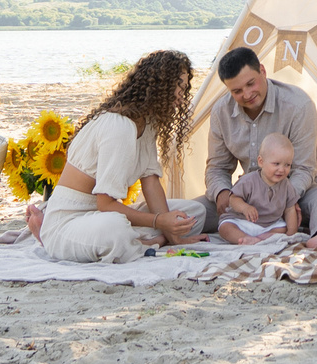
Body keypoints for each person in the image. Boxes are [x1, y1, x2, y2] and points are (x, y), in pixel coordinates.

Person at [37, 49, 210, 265]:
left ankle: (153, 240)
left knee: (194, 212)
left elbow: (151, 181)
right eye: (179, 87)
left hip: (104, 215)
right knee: (116, 229)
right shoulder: (119, 127)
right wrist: (159, 220)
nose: (181, 96)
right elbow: (105, 204)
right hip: (71, 221)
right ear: (160, 86)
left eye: (184, 89)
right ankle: (147, 242)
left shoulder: (148, 123)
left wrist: (171, 230)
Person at [203, 46, 317, 250]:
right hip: (249, 198)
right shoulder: (221, 111)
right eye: (237, 91)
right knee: (194, 212)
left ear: (263, 72)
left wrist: (284, 200)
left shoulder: (299, 105)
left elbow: (304, 169)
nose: (247, 94)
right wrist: (223, 193)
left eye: (251, 83)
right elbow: (217, 167)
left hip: (299, 194)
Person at [215, 132, 303, 244]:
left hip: (269, 225)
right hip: (242, 222)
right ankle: (245, 238)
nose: (282, 169)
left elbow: (290, 209)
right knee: (225, 228)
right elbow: (233, 199)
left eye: (287, 165)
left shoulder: (286, 185)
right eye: (276, 164)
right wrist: (245, 208)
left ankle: (261, 239)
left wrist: (291, 233)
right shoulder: (248, 181)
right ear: (261, 162)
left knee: (282, 228)